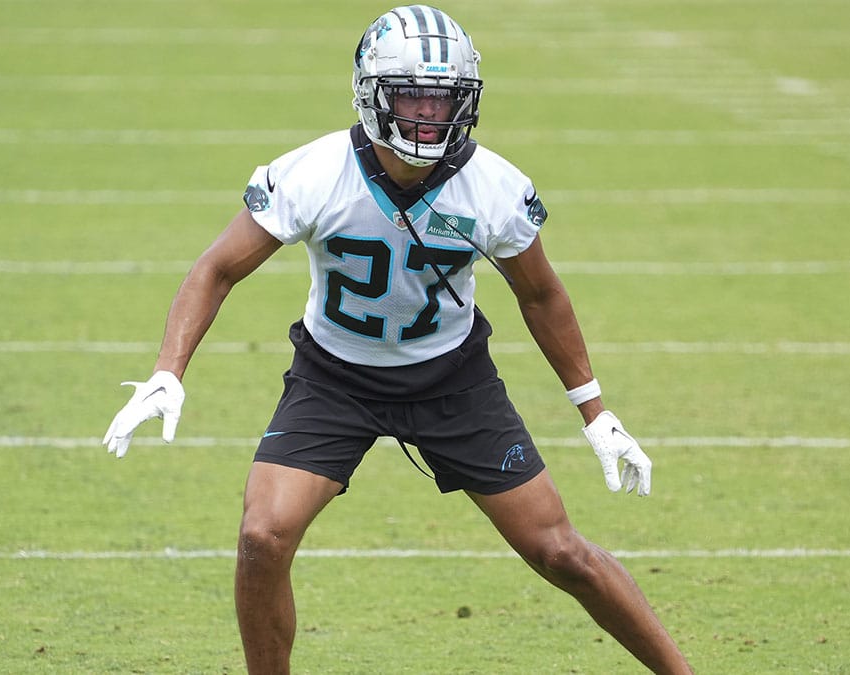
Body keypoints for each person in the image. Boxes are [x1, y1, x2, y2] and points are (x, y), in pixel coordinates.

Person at [102, 5, 692, 673]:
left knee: (560, 551)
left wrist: (596, 410)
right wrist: (168, 369)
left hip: (452, 381)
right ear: (371, 95)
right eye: (412, 97)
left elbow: (540, 293)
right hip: (336, 379)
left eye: (446, 101)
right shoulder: (316, 173)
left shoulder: (492, 186)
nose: (429, 117)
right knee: (262, 536)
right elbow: (217, 267)